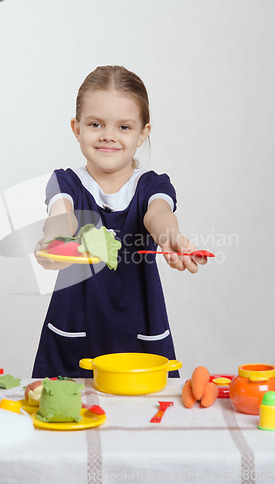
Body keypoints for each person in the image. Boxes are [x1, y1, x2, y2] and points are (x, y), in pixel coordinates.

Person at [32, 65, 207, 379]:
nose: (108, 136)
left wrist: (172, 239)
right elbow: (62, 216)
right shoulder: (65, 182)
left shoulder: (153, 185)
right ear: (77, 128)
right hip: (74, 334)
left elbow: (159, 216)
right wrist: (54, 243)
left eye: (124, 127)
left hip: (139, 332)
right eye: (95, 124)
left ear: (143, 134)